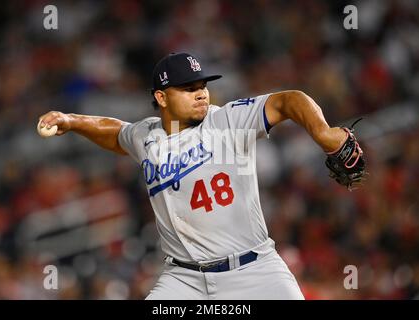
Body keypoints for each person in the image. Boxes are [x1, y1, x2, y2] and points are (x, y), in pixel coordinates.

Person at [38, 52, 365, 299]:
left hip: (254, 270)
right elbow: (115, 132)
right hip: (183, 280)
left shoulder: (226, 120)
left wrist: (323, 134)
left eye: (202, 85)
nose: (201, 93)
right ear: (161, 98)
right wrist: (71, 120)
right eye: (188, 88)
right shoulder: (147, 136)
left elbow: (289, 101)